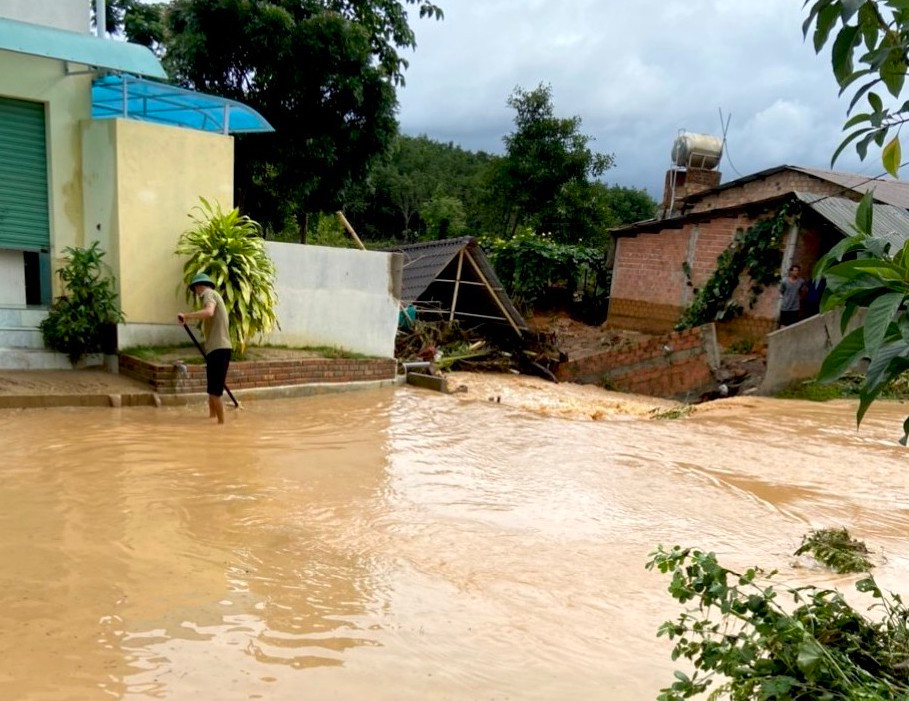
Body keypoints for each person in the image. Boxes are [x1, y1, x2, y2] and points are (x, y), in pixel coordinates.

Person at [177, 273, 232, 424]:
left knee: (215, 393)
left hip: (219, 349)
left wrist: (187, 316)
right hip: (216, 349)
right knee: (211, 391)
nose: (195, 293)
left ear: (198, 286)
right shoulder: (214, 295)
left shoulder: (208, 293)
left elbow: (209, 312)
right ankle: (211, 419)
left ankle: (221, 426)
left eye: (194, 290)